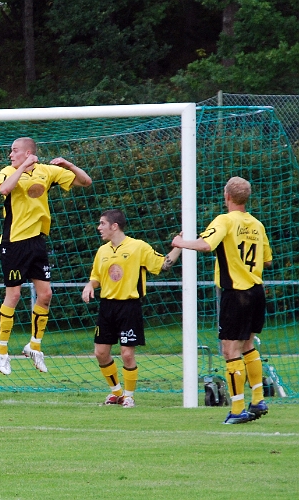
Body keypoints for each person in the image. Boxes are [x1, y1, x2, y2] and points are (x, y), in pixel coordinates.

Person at [172, 176, 272, 424]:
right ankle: (258, 398)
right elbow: (267, 260)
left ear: (227, 196)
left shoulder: (225, 220)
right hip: (256, 291)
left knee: (230, 350)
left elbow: (206, 245)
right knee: (248, 345)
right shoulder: (257, 225)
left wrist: (180, 242)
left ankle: (237, 409)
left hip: (236, 293)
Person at [0, 137, 92, 375]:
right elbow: (5, 189)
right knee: (14, 295)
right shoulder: (8, 172)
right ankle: (2, 350)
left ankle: (34, 346)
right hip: (13, 242)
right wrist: (23, 168)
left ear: (28, 152)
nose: (10, 155)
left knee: (46, 295)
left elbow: (85, 181)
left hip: (37, 241)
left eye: (14, 150)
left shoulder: (46, 171)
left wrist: (68, 165)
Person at [81, 209, 181, 407]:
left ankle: (129, 396)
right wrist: (89, 285)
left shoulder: (138, 247)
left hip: (129, 306)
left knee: (127, 354)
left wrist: (179, 246)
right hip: (107, 306)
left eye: (102, 223)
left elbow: (163, 265)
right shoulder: (102, 251)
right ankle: (116, 393)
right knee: (100, 353)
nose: (99, 227)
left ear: (114, 226)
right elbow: (96, 277)